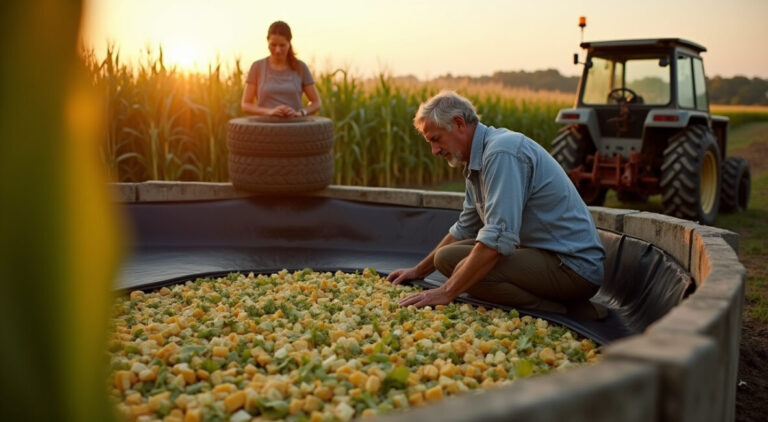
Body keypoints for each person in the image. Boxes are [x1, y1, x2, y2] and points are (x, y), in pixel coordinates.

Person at [387, 91, 607, 320]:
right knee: (444, 258)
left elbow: (497, 238)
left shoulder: (502, 152)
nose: (434, 151)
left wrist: (446, 291)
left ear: (459, 123)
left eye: (436, 139)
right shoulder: (476, 162)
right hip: (537, 252)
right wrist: (418, 271)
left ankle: (563, 311)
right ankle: (557, 303)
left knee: (468, 270)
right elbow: (465, 227)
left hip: (572, 266)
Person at [241, 21, 321, 117]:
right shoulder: (257, 67)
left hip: (294, 127)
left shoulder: (300, 67)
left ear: (289, 43)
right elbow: (245, 105)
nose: (277, 50)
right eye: (273, 45)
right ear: (267, 43)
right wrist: (269, 112)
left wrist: (300, 113)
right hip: (265, 127)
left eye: (282, 45)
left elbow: (316, 103)